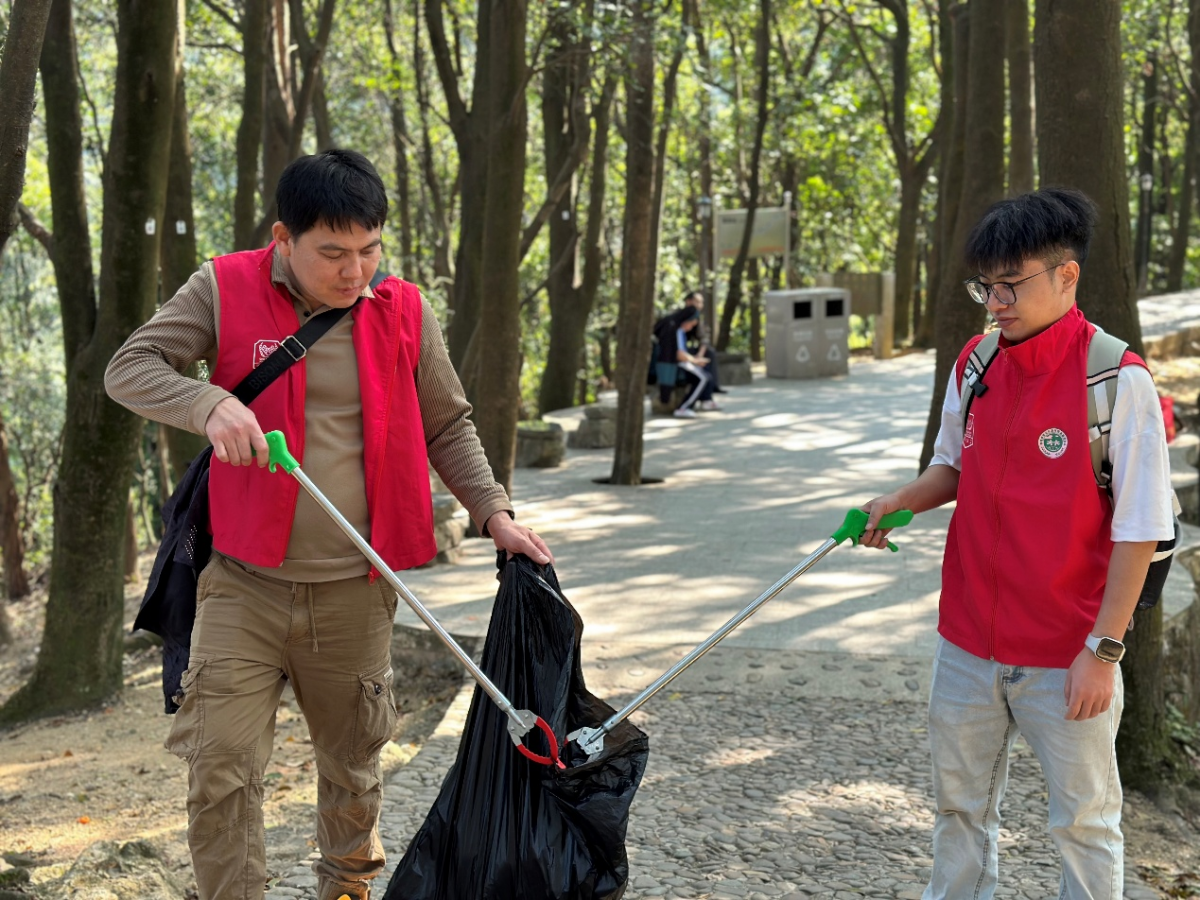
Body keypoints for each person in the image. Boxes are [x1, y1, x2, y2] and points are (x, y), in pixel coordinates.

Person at [105, 149, 553, 900]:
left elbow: (449, 425)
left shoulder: (403, 308)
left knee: (351, 773)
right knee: (221, 770)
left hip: (354, 590)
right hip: (241, 583)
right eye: (334, 253)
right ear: (284, 239)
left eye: (370, 250)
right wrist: (206, 403)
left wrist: (493, 511)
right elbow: (130, 366)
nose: (356, 271)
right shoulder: (223, 286)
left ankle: (345, 893)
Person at [859, 188, 1174, 900]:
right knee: (959, 812)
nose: (995, 301)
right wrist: (898, 501)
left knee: (1085, 823)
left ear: (1067, 276)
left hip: (1069, 654)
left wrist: (1104, 651)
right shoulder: (976, 362)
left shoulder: (1115, 380)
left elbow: (1142, 526)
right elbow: (953, 466)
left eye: (1011, 284)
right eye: (985, 285)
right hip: (967, 642)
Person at [653, 305, 714, 417]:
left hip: (681, 363)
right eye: (691, 324)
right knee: (703, 378)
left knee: (706, 375)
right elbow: (678, 354)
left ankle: (705, 401)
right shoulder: (674, 329)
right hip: (675, 365)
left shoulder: (679, 329)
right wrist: (695, 361)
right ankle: (684, 407)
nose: (691, 328)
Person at [681, 290, 727, 395]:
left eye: (701, 302)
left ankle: (714, 385)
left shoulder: (697, 317)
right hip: (678, 351)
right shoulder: (679, 315)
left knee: (710, 352)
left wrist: (700, 354)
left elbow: (704, 338)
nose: (700, 305)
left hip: (689, 350)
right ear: (688, 302)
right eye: (697, 302)